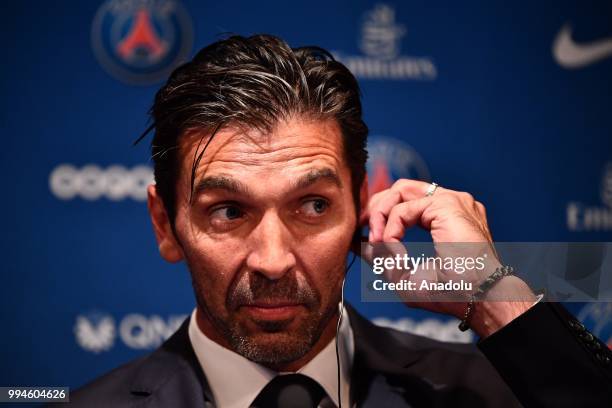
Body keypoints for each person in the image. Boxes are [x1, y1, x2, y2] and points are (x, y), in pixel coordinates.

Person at [65, 34, 612, 407]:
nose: (273, 261)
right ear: (166, 224)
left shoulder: (489, 393)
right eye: (229, 211)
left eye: (313, 206)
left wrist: (496, 300)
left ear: (363, 204)